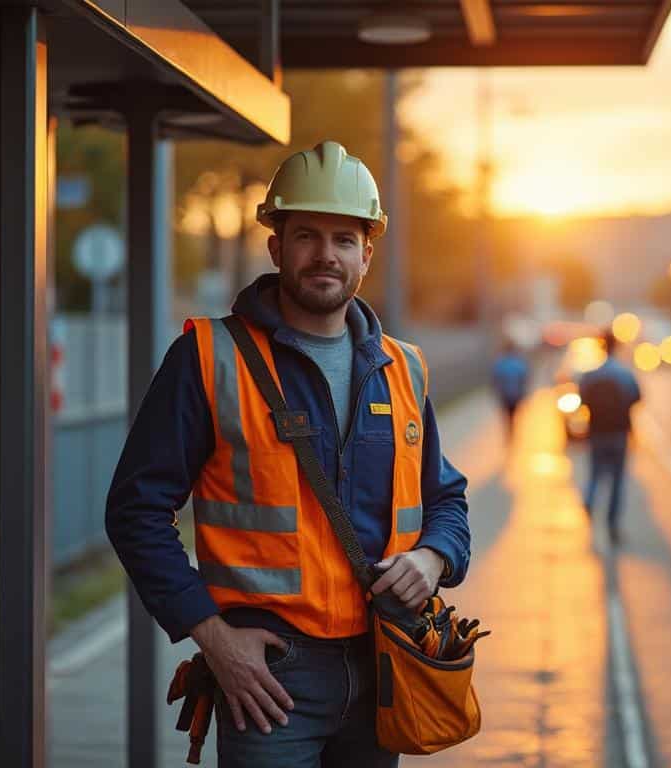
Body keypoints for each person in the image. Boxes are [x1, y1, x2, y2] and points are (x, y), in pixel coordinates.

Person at [106, 141, 471, 768]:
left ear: (367, 254)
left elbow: (447, 500)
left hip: (385, 660)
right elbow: (135, 510)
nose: (325, 255)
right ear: (276, 247)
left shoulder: (404, 369)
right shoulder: (207, 358)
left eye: (343, 239)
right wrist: (212, 636)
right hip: (271, 676)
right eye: (306, 236)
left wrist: (435, 558)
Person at [577, 330, 642, 545]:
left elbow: (582, 398)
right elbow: (636, 397)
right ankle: (612, 525)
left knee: (595, 474)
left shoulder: (592, 374)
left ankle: (589, 498)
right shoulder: (624, 373)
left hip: (597, 432)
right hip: (619, 433)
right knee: (617, 480)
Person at [490, 341, 531, 436]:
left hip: (505, 394)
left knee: (508, 414)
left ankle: (510, 428)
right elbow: (524, 377)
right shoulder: (518, 362)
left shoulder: (500, 363)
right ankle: (513, 428)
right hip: (516, 393)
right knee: (514, 412)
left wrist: (496, 390)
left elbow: (495, 378)